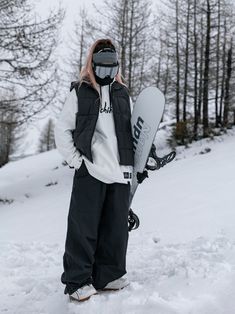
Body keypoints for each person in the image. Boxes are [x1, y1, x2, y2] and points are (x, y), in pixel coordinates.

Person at [54, 38, 135, 302]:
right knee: (83, 227)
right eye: (101, 68)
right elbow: (62, 131)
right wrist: (78, 162)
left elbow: (134, 133)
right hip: (91, 169)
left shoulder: (123, 93)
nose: (107, 74)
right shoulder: (80, 91)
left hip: (120, 171)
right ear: (92, 65)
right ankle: (78, 280)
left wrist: (139, 163)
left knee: (115, 228)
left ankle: (108, 275)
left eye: (111, 68)